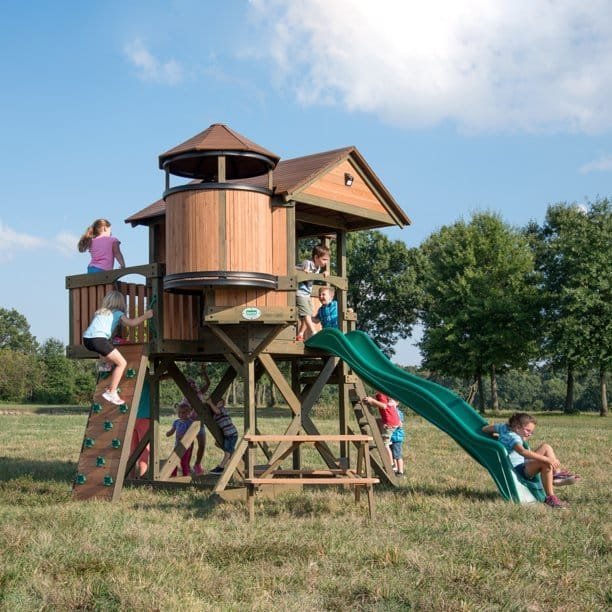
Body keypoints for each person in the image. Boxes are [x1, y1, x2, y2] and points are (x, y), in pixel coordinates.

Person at [482, 412, 579, 509]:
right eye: (528, 431)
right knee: (545, 463)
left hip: (523, 463)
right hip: (518, 470)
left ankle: (556, 475)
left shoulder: (503, 428)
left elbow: (485, 429)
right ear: (517, 427)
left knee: (546, 447)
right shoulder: (513, 437)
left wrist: (497, 438)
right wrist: (548, 459)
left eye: (531, 432)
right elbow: (522, 451)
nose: (530, 434)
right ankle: (550, 498)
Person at [82, 290, 153, 405]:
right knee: (122, 363)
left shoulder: (100, 313)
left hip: (87, 340)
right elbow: (131, 323)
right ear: (121, 303)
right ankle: (112, 391)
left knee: (108, 357)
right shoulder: (118, 313)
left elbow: (99, 328)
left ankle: (105, 367)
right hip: (99, 340)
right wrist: (146, 316)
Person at [176, 370, 211, 476]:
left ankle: (197, 464)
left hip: (200, 422)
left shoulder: (200, 392)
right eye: (189, 383)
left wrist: (204, 372)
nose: (192, 384)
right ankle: (187, 466)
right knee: (189, 446)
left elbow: (208, 383)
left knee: (202, 444)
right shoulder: (186, 397)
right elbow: (181, 412)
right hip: (189, 425)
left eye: (193, 382)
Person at [296, 244, 330, 341]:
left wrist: (324, 273)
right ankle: (314, 332)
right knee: (306, 313)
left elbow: (316, 275)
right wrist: (302, 270)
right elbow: (294, 268)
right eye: (324, 259)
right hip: (299, 292)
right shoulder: (307, 263)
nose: (326, 262)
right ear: (316, 257)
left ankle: (300, 334)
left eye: (327, 260)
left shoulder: (318, 267)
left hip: (307, 294)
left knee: (309, 314)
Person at [363, 392, 402, 467]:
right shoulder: (384, 394)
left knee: (385, 445)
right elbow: (379, 405)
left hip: (390, 422)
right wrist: (371, 402)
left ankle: (391, 464)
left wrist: (372, 400)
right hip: (393, 420)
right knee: (376, 421)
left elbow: (384, 406)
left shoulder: (381, 394)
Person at [208, 398, 238, 474]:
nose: (218, 404)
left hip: (232, 434)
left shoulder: (222, 409)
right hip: (227, 435)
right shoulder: (215, 414)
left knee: (227, 453)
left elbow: (217, 411)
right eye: (217, 403)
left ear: (223, 404)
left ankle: (221, 467)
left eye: (220, 403)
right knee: (219, 444)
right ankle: (237, 454)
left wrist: (210, 402)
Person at [166, 403, 195, 477]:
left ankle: (185, 476)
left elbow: (191, 434)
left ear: (188, 413)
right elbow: (172, 430)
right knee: (173, 461)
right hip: (177, 445)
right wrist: (168, 433)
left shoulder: (190, 422)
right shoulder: (176, 422)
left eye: (183, 413)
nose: (181, 414)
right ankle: (173, 475)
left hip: (186, 447)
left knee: (184, 462)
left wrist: (183, 436)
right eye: (179, 413)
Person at [390, 405, 405, 476]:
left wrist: (391, 425)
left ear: (397, 403)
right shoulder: (391, 411)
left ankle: (400, 471)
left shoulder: (398, 412)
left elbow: (400, 425)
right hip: (392, 437)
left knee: (397, 456)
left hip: (396, 438)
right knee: (393, 455)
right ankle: (396, 469)